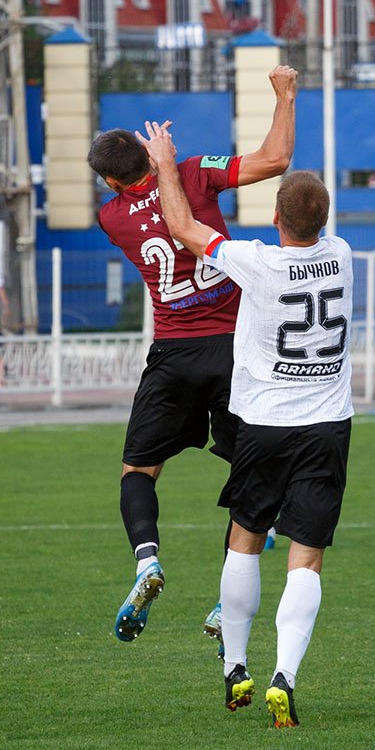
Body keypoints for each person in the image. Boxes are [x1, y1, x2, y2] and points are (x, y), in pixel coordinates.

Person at [144, 119, 353, 728]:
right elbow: (309, 222)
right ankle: (285, 675)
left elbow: (182, 228)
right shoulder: (341, 257)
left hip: (263, 424)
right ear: (324, 220)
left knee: (245, 539)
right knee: (306, 557)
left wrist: (164, 163)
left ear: (275, 219)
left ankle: (236, 666)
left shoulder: (255, 262)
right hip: (327, 427)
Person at [86, 65, 297, 645]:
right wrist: (283, 94)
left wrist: (150, 172)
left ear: (109, 182)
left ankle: (146, 562)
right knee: (253, 469)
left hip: (173, 353)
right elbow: (275, 160)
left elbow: (148, 207)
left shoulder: (110, 218)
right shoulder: (194, 172)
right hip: (236, 348)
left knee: (139, 470)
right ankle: (230, 591)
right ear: (148, 150)